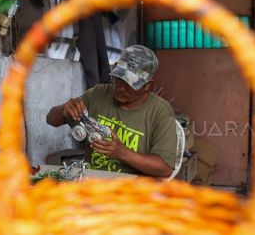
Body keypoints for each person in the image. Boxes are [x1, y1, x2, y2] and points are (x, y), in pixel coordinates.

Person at [46, 45, 176, 177]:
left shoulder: (160, 112)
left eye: (130, 84)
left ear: (148, 85)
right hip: (92, 184)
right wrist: (63, 110)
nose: (120, 88)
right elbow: (51, 119)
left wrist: (123, 153)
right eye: (118, 79)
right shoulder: (97, 94)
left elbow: (165, 168)